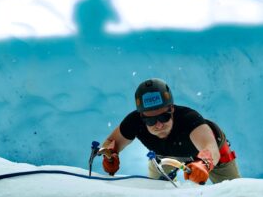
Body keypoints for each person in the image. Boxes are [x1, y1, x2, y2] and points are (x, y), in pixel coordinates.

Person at [100, 78, 241, 184]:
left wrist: (204, 164)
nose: (159, 125)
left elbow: (210, 148)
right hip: (164, 156)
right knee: (156, 190)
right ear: (141, 117)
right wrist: (109, 155)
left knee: (233, 193)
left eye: (164, 116)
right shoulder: (134, 122)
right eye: (150, 120)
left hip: (207, 154)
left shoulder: (189, 120)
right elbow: (111, 143)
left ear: (172, 109)